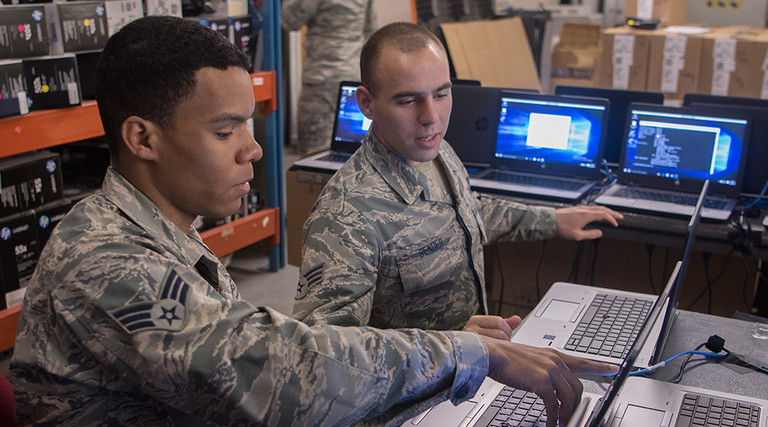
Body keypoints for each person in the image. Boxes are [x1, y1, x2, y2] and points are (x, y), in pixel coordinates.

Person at [9, 16, 615, 427]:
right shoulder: (107, 261)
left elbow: (247, 341)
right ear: (142, 137)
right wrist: (468, 354)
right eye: (226, 131)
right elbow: (284, 374)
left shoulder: (163, 232)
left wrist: (453, 339)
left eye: (249, 124)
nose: (254, 150)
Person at [294, 22, 624, 334]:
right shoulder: (344, 216)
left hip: (474, 370)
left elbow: (466, 212)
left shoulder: (438, 151)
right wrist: (451, 345)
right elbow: (326, 358)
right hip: (423, 390)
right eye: (408, 100)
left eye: (441, 94)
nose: (431, 117)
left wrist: (552, 220)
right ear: (366, 103)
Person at [282, 0, 378, 155]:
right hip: (352, 79)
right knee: (349, 150)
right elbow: (371, 29)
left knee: (315, 153)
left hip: (321, 81)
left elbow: (289, 20)